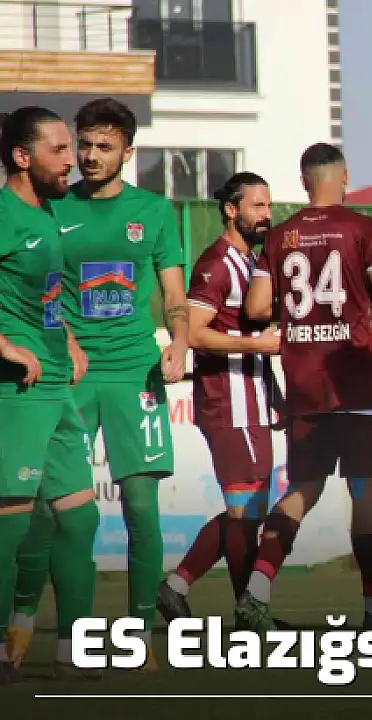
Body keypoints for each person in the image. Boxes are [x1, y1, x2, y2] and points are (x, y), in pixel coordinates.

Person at [5, 98, 188, 670]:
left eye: (103, 146)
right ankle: (23, 620)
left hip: (136, 372)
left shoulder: (154, 211)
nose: (88, 155)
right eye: (81, 143)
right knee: (46, 510)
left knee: (141, 508)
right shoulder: (52, 205)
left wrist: (179, 340)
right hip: (70, 374)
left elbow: (174, 293)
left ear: (128, 152)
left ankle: (138, 635)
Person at [233, 142, 372, 633]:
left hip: (306, 385)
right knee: (367, 498)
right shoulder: (364, 229)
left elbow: (256, 309)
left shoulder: (280, 236)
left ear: (303, 182)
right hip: (357, 384)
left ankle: (256, 592)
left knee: (302, 490)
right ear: (346, 177)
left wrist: (301, 316)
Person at [0, 107, 102, 683]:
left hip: (58, 387)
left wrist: (68, 339)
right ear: (22, 157)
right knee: (11, 527)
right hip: (16, 392)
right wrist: (5, 346)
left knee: (79, 519)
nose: (72, 160)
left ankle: (73, 650)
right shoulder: (3, 214)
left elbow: (44, 293)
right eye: (59, 150)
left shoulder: (47, 213)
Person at [156, 172, 282, 623]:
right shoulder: (217, 263)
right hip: (229, 401)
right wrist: (257, 346)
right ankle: (249, 610)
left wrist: (275, 393)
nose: (267, 215)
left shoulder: (252, 261)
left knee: (249, 509)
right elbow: (193, 333)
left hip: (252, 398)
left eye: (268, 206)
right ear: (231, 210)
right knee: (245, 510)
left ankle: (177, 586)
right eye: (257, 206)